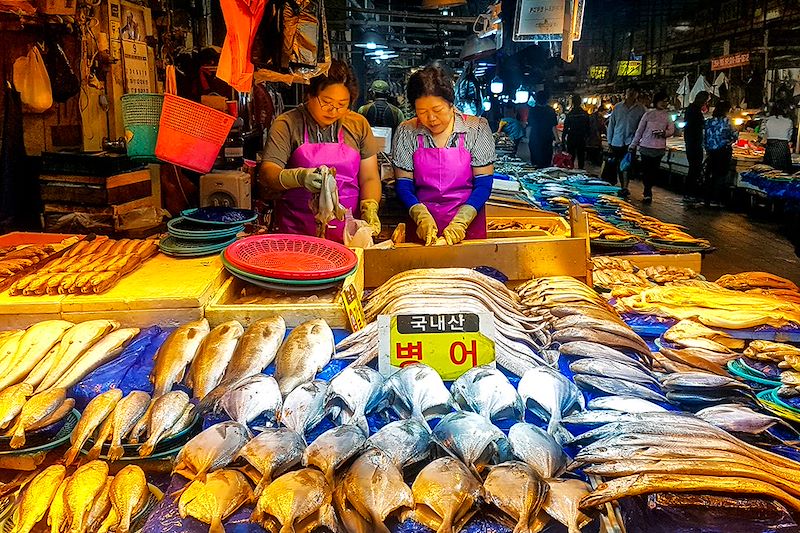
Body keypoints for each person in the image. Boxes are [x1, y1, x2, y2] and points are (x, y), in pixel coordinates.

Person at [260, 60, 382, 242]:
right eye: (326, 102)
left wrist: (370, 206)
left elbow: (370, 177)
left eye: (342, 104)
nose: (333, 110)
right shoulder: (287, 124)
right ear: (309, 94)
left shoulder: (358, 125)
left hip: (347, 234)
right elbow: (268, 173)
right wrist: (299, 177)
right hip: (297, 233)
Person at [392, 65, 495, 246]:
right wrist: (419, 214)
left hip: (468, 229)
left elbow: (484, 184)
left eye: (437, 110)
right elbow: (404, 184)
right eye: (422, 112)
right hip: (421, 232)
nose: (431, 118)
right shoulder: (406, 131)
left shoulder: (476, 128)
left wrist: (463, 218)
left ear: (451, 103)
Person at [629, 91, 675, 204]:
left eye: (666, 101)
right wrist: (633, 145)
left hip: (659, 149)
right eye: (662, 101)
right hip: (646, 147)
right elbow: (639, 131)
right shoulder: (648, 114)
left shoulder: (668, 116)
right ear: (656, 101)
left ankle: (648, 190)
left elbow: (671, 130)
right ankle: (647, 192)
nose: (664, 104)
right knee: (646, 171)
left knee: (654, 172)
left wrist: (664, 133)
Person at [607, 86, 646, 194]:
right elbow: (611, 125)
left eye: (634, 91)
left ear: (637, 94)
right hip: (616, 141)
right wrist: (609, 141)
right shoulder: (618, 108)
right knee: (617, 164)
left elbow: (642, 126)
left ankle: (625, 187)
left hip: (630, 143)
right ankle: (616, 184)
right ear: (626, 93)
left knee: (626, 165)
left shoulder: (641, 109)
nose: (631, 93)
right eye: (629, 91)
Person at [703, 101, 738, 207]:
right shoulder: (728, 121)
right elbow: (735, 135)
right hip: (723, 151)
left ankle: (707, 199)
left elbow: (704, 137)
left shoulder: (709, 121)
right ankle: (716, 199)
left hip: (711, 151)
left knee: (710, 174)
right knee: (720, 175)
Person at [683, 90, 709, 202]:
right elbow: (698, 125)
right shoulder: (694, 111)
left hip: (691, 143)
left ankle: (689, 193)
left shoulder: (691, 109)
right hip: (694, 144)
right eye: (707, 100)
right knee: (695, 169)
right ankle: (690, 194)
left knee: (694, 169)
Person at [528, 90, 559, 168]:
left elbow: (529, 126)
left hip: (534, 139)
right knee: (546, 163)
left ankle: (536, 178)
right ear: (547, 99)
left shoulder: (533, 110)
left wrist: (527, 138)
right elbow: (553, 126)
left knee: (535, 163)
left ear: (536, 99)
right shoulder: (551, 111)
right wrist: (557, 139)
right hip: (547, 140)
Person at [760, 104, 794, 172]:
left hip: (771, 146)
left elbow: (761, 134)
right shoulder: (789, 121)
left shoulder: (766, 120)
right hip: (783, 147)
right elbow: (789, 137)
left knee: (768, 170)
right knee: (783, 172)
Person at [562, 94, 591, 169]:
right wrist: (587, 139)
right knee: (581, 158)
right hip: (581, 138)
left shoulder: (570, 115)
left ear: (572, 103)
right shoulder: (585, 114)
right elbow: (588, 128)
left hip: (571, 138)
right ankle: (581, 174)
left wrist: (562, 142)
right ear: (580, 102)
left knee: (571, 158)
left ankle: (571, 174)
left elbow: (565, 129)